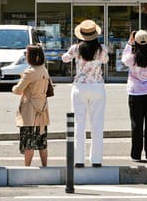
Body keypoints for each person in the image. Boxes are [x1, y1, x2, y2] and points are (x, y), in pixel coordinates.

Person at [62, 19, 109, 167]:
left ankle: (79, 159)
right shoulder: (102, 49)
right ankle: (96, 160)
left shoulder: (76, 48)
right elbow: (106, 61)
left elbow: (64, 59)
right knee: (97, 124)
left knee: (79, 124)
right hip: (97, 86)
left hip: (80, 87)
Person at [121, 30, 147, 162]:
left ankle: (136, 154)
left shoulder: (131, 58)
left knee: (136, 125)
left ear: (135, 42)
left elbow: (123, 58)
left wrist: (129, 43)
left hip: (135, 93)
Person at [11, 44, 51, 167]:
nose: (25, 55)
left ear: (31, 56)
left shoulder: (30, 72)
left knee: (28, 142)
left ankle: (27, 168)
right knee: (42, 142)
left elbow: (18, 90)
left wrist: (14, 87)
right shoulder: (44, 69)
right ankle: (45, 166)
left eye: (26, 54)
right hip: (43, 108)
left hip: (30, 109)